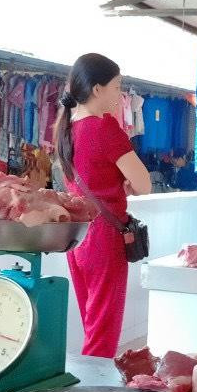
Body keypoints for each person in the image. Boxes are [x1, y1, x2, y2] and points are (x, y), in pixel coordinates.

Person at [55, 52, 152, 358]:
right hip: (104, 239)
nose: (120, 94)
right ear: (97, 89)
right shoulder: (105, 128)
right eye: (116, 86)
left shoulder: (66, 129)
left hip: (77, 237)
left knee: (92, 324)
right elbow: (144, 184)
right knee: (103, 335)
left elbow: (89, 178)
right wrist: (127, 186)